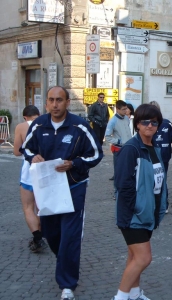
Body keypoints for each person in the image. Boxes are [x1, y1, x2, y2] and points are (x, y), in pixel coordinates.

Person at [22, 86, 103, 300]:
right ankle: (64, 259)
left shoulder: (80, 126)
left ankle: (67, 285)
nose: (55, 104)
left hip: (74, 187)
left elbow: (96, 154)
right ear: (46, 103)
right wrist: (34, 157)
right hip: (47, 188)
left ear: (67, 102)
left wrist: (74, 164)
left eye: (59, 100)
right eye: (51, 100)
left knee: (70, 235)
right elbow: (26, 149)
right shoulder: (39, 125)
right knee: (52, 233)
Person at [112, 104, 167, 300]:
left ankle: (134, 294)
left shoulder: (154, 148)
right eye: (145, 121)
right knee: (144, 258)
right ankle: (120, 297)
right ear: (137, 124)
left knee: (134, 257)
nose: (150, 125)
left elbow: (158, 182)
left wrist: (160, 206)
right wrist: (138, 207)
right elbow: (122, 184)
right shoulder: (131, 149)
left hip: (148, 213)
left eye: (154, 122)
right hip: (133, 215)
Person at [13, 105, 46, 252]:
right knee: (42, 205)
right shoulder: (46, 124)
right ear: (38, 114)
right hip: (45, 168)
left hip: (29, 169)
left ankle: (37, 238)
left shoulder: (21, 127)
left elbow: (16, 151)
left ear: (25, 117)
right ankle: (45, 232)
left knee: (28, 207)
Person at [149, 100, 172, 212]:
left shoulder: (166, 123)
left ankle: (163, 204)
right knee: (157, 179)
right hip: (154, 155)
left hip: (162, 156)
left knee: (159, 179)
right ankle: (157, 203)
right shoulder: (149, 124)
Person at [105, 100, 132, 189]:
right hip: (119, 150)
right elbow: (107, 137)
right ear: (117, 109)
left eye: (126, 109)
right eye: (123, 109)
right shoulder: (112, 121)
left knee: (128, 170)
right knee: (119, 172)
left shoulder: (127, 118)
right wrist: (119, 141)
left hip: (128, 148)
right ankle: (117, 191)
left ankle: (126, 189)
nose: (125, 111)